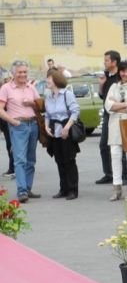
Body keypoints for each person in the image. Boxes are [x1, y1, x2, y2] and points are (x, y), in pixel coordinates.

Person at [0, 61, 41, 203]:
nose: (23, 74)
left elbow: (40, 105)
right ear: (13, 73)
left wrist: (32, 104)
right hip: (18, 126)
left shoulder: (31, 87)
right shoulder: (6, 88)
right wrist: (13, 121)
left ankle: (28, 188)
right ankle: (22, 191)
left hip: (33, 124)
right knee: (20, 160)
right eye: (20, 72)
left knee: (31, 159)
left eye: (25, 72)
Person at [104, 59, 127, 201]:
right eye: (123, 71)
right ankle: (117, 187)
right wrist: (126, 104)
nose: (126, 74)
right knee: (115, 155)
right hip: (114, 124)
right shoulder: (114, 86)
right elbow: (108, 106)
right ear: (119, 72)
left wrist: (117, 105)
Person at [42, 69, 81, 200]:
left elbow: (75, 112)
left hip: (66, 130)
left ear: (56, 80)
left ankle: (72, 189)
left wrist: (67, 128)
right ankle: (63, 188)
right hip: (55, 131)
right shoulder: (49, 96)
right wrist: (46, 126)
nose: (47, 81)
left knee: (69, 160)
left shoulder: (67, 94)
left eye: (49, 78)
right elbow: (47, 114)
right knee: (59, 160)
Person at [96, 50, 127, 185]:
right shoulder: (106, 76)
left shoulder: (121, 77)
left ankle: (126, 175)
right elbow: (102, 96)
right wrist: (101, 84)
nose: (104, 63)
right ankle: (109, 173)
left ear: (114, 62)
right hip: (107, 114)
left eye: (107, 60)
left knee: (121, 145)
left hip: (119, 114)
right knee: (104, 145)